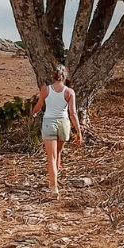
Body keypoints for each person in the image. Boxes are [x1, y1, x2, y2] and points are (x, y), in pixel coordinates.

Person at [32, 64, 83, 197]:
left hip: (49, 123)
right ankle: (55, 177)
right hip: (64, 124)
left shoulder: (46, 90)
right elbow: (73, 113)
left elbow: (39, 106)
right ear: (65, 76)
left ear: (53, 76)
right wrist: (78, 131)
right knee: (58, 153)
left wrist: (33, 113)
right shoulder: (69, 92)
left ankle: (53, 186)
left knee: (52, 156)